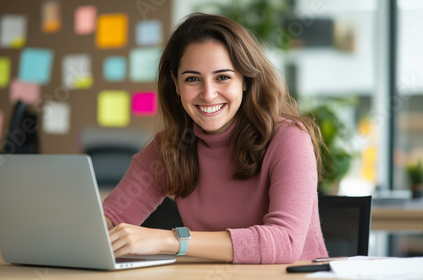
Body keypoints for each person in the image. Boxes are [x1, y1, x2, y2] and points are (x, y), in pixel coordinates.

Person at [103, 13, 328, 264]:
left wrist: (169, 241)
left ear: (245, 80)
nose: (208, 94)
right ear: (176, 84)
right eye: (192, 79)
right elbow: (110, 218)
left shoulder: (289, 139)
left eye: (223, 77)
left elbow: (286, 242)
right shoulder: (169, 147)